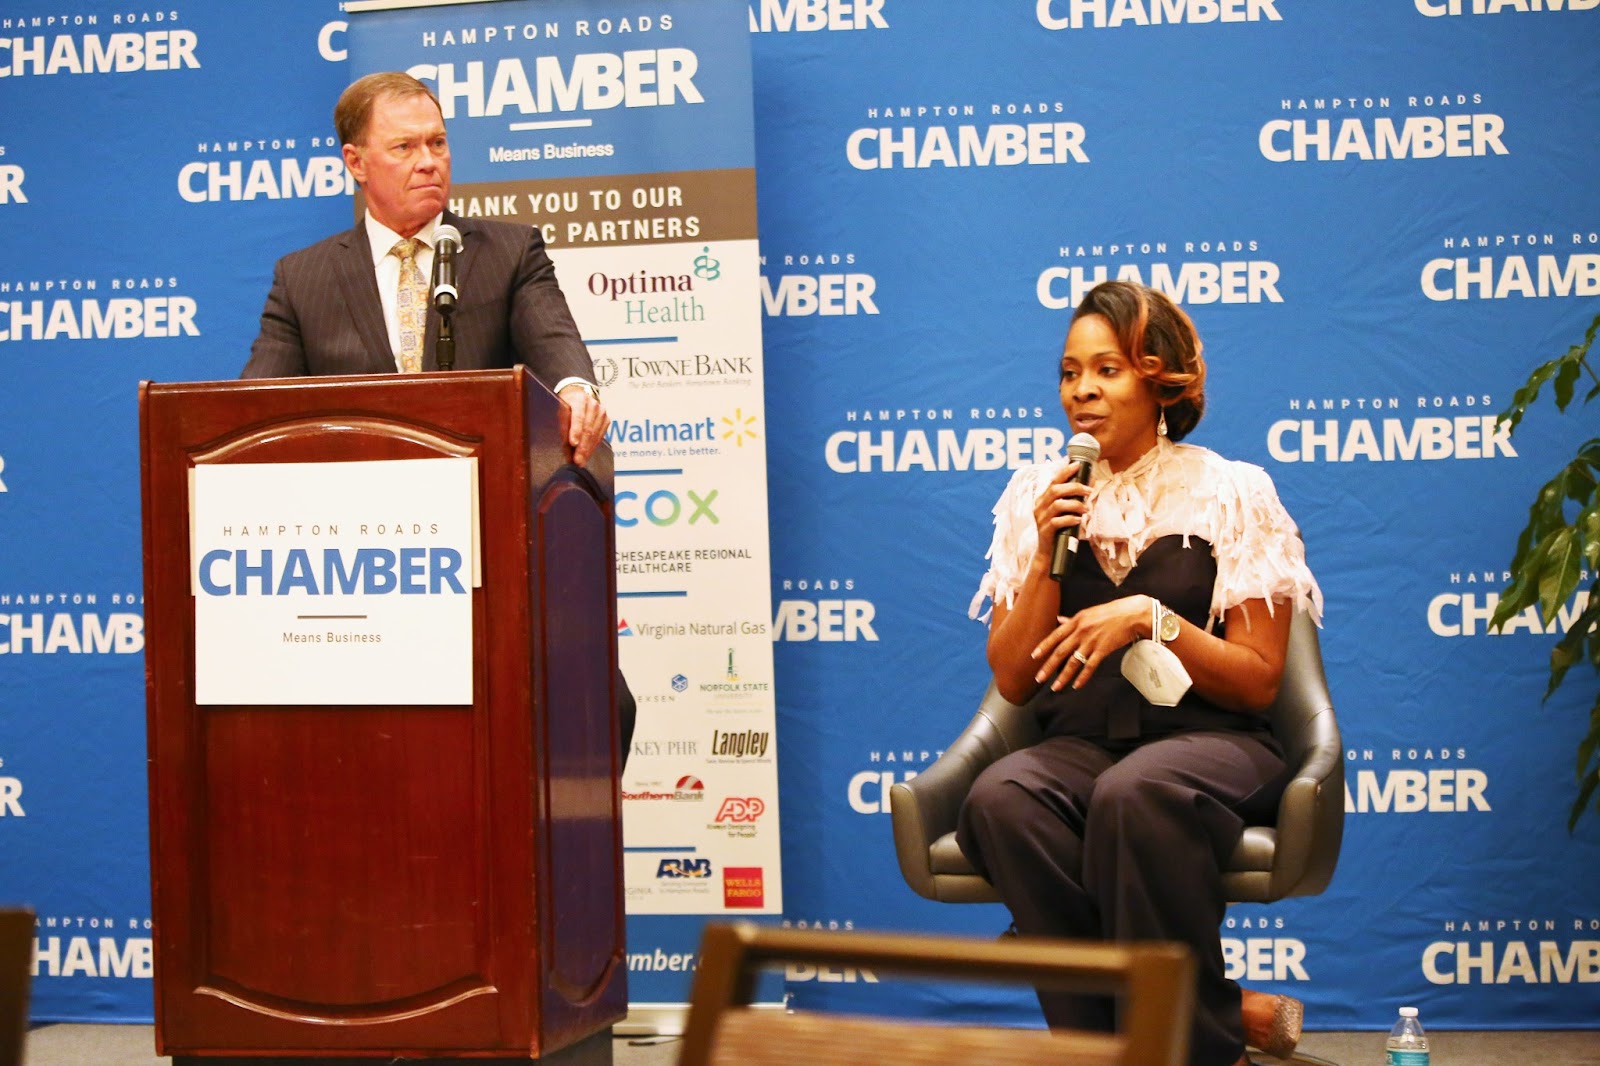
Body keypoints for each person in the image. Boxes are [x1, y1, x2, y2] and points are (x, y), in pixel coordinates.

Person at [956, 281, 1321, 1066]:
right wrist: (1045, 551)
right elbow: (1014, 679)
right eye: (1069, 373)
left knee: (1137, 793)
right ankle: (1129, 1042)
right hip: (1080, 743)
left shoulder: (1231, 492)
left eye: (1107, 370)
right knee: (1001, 799)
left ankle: (1198, 1049)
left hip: (1215, 742)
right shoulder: (1036, 496)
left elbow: (1259, 679)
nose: (1081, 391)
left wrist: (1153, 618)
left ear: (1160, 382)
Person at [242, 71, 633, 759]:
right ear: (355, 162)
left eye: (438, 142)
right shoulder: (303, 279)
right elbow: (255, 415)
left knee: (604, 703)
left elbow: (556, 348)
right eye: (405, 147)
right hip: (359, 561)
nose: (429, 161)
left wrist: (575, 390)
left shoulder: (508, 253)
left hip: (491, 551)